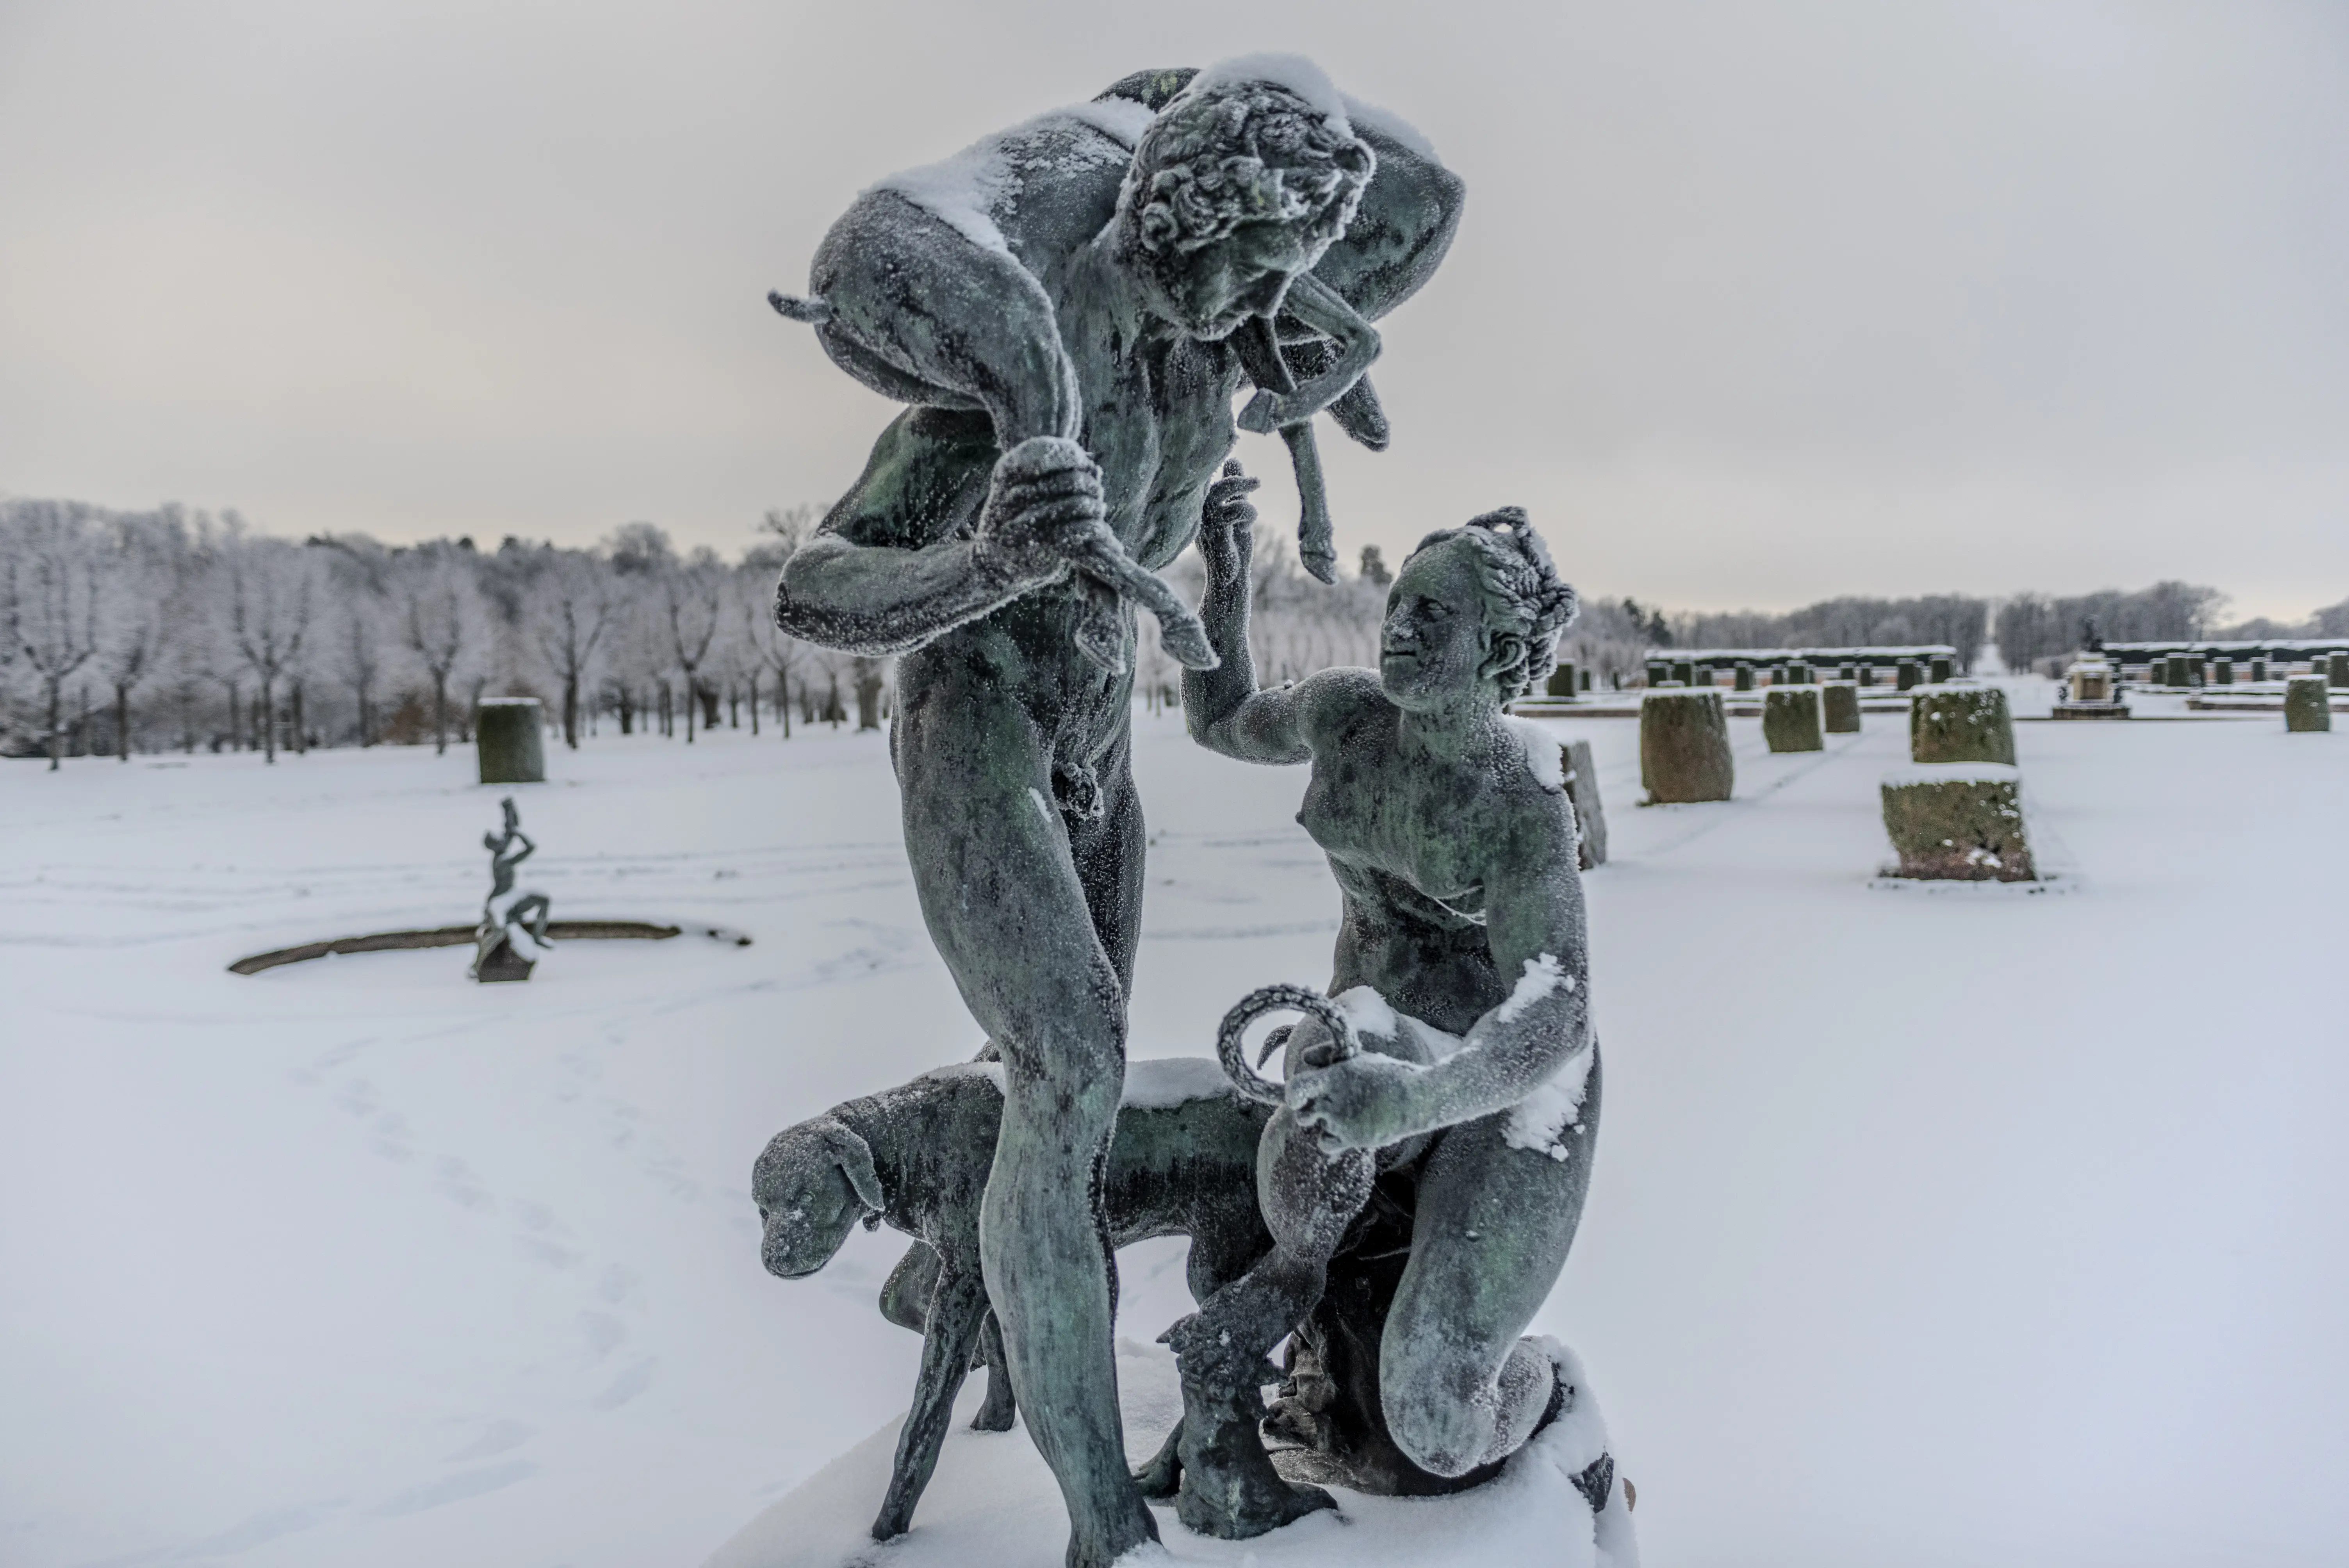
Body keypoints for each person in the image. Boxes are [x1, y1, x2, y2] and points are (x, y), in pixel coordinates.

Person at [768, 60, 1463, 1568]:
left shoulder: (1213, 356)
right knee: (1068, 1066)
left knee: (1062, 1123)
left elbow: (1426, 192)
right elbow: (811, 592)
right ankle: (1103, 1530)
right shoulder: (1025, 368)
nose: (1260, 303)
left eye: (1286, 273)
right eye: (1245, 260)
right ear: (1168, 211)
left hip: (1103, 745)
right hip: (981, 719)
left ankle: (1012, 1308)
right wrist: (987, 565)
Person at [1175, 490, 1598, 1529]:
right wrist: (1225, 584)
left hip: (1510, 1095)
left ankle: (1549, 1389)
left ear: (1500, 644)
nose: (1398, 629)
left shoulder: (1520, 803)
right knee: (1327, 1057)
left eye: (1431, 616)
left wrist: (1412, 1107)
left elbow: (1559, 1015)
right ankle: (1302, 1330)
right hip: (1375, 1044)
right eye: (1398, 604)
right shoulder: (1344, 716)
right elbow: (1219, 717)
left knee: (1438, 1421)